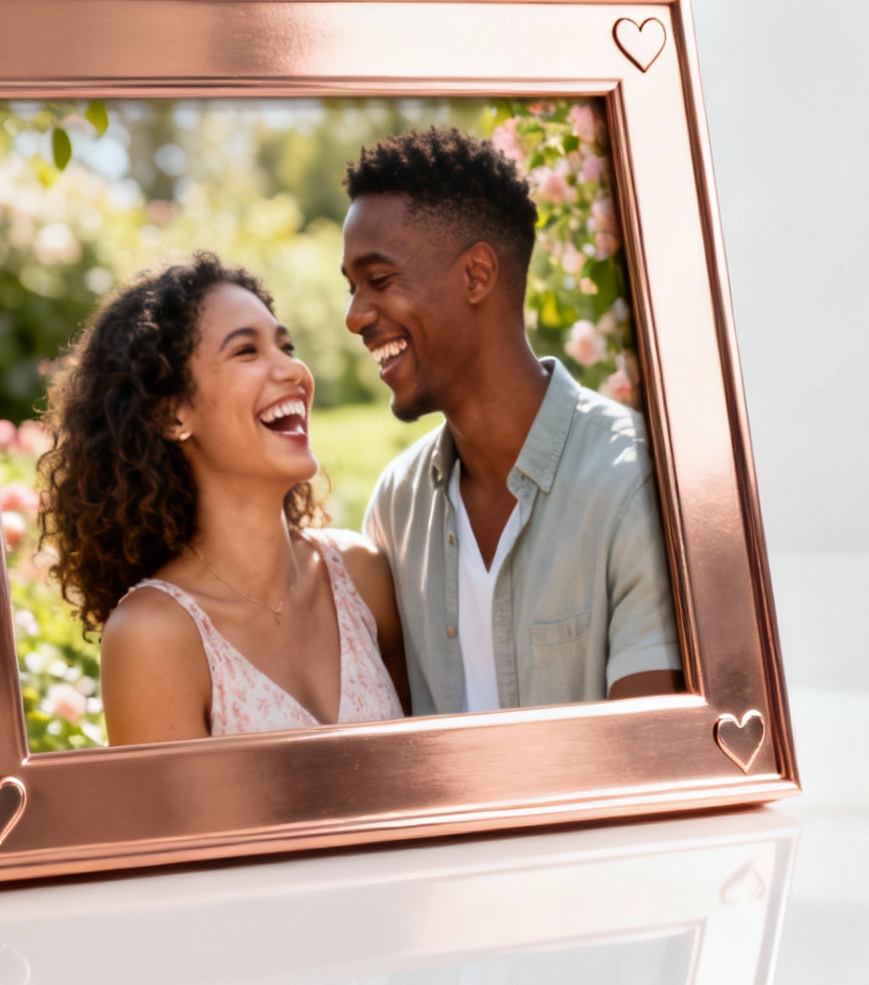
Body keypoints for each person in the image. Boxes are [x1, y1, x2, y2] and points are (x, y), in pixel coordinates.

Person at [341, 126, 683, 715]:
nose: (354, 316)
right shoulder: (395, 508)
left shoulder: (638, 486)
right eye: (351, 288)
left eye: (379, 280)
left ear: (477, 275)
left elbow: (645, 773)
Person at [36, 254, 409, 745]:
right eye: (247, 352)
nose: (292, 369)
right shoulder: (155, 638)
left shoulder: (362, 576)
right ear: (173, 416)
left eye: (285, 345)